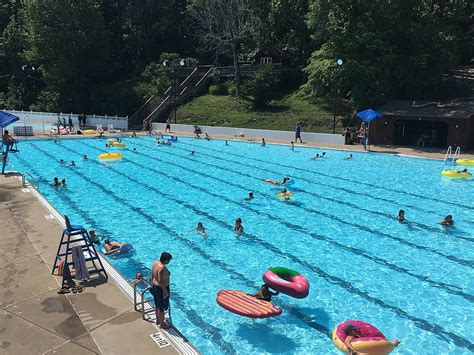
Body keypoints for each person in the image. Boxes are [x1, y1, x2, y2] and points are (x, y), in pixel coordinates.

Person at [151, 252, 173, 329]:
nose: (169, 262)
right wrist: (165, 291)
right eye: (169, 260)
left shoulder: (156, 262)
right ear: (166, 260)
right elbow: (160, 280)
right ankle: (162, 324)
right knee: (162, 307)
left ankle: (158, 320)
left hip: (155, 286)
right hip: (161, 288)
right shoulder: (162, 268)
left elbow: (153, 274)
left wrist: (152, 283)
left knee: (157, 304)